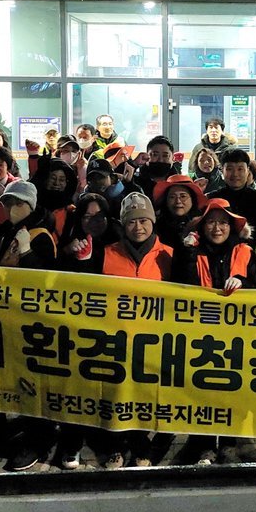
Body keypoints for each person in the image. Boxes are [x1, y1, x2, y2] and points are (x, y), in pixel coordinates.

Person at [0, 180, 59, 470]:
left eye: (19, 203)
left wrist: (27, 252)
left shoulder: (40, 235)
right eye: (8, 203)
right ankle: (4, 433)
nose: (12, 208)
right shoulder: (2, 232)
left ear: (31, 206)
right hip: (2, 315)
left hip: (31, 321)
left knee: (32, 382)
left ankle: (38, 442)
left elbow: (47, 280)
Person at [99, 192, 173, 469]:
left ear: (153, 222)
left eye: (143, 220)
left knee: (146, 395)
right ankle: (116, 445)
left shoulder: (169, 255)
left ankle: (143, 445)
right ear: (122, 225)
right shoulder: (107, 253)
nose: (138, 227)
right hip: (116, 339)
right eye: (131, 222)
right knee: (118, 394)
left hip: (154, 340)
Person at [207, 148, 256, 235]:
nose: (235, 174)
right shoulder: (212, 199)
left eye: (240, 169)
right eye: (229, 169)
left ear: (248, 171)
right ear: (222, 171)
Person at [58, 192, 119, 275]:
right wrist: (66, 251)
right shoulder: (69, 241)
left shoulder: (120, 243)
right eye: (87, 216)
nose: (93, 222)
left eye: (99, 216)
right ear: (79, 219)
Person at [152, 174, 207, 250]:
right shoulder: (156, 226)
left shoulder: (203, 224)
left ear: (192, 199)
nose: (178, 201)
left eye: (183, 196)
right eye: (172, 197)